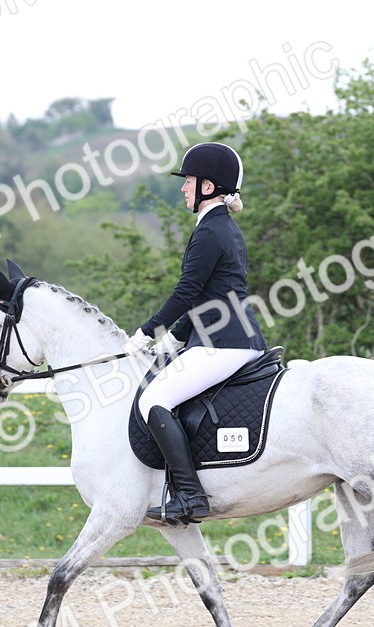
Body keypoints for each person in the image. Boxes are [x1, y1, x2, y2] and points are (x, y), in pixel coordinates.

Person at [128, 142, 268, 525]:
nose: (183, 188)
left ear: (209, 186)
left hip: (224, 342)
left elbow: (187, 292)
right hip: (227, 336)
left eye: (189, 180)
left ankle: (190, 495)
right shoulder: (221, 226)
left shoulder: (210, 231)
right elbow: (209, 295)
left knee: (153, 400)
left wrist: (146, 333)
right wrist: (175, 337)